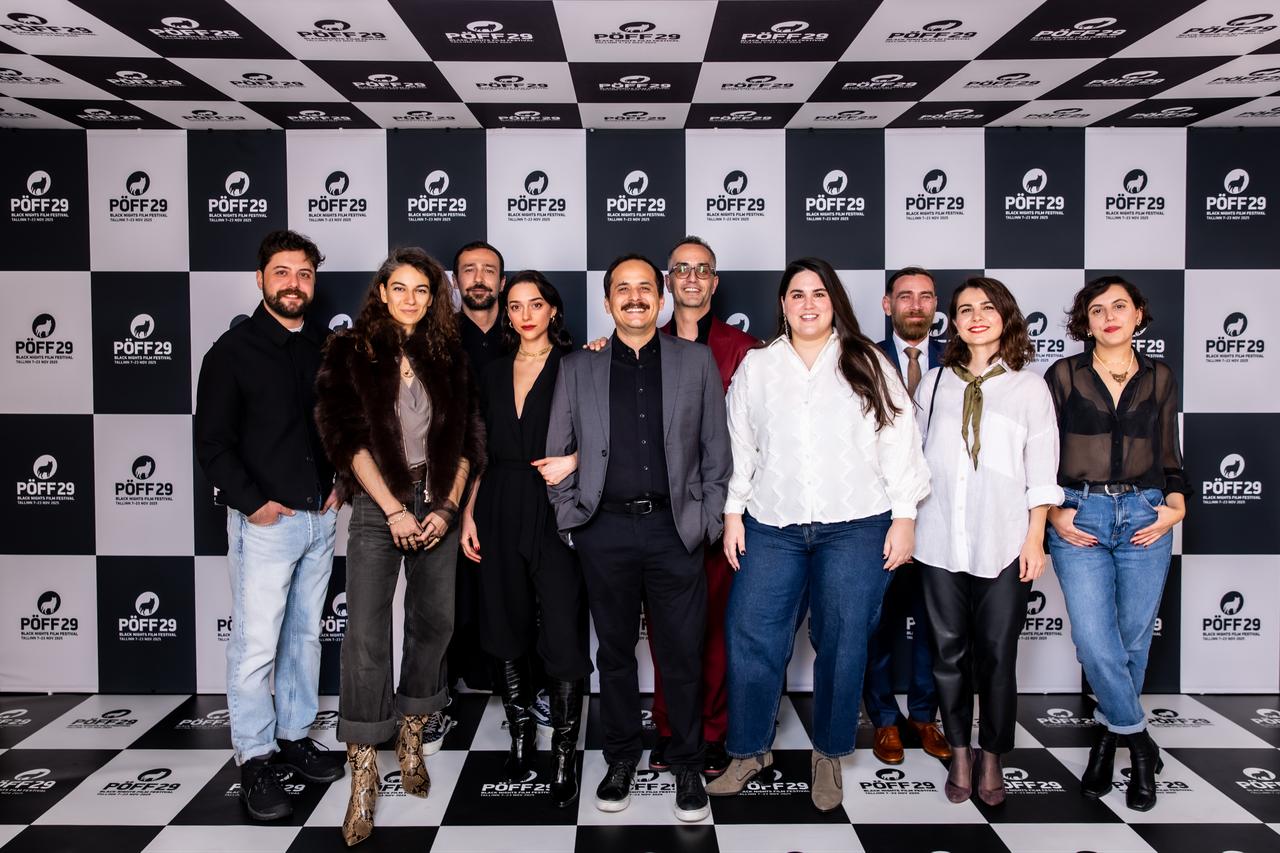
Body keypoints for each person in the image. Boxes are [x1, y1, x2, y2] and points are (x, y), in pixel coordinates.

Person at [710, 258, 929, 813]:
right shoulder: (758, 367)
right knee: (751, 633)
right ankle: (749, 751)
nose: (808, 303)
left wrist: (904, 516)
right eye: (797, 294)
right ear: (782, 304)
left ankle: (828, 752)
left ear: (834, 302)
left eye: (820, 294)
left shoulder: (867, 362)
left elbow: (898, 443)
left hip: (855, 524)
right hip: (772, 523)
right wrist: (733, 514)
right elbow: (743, 448)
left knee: (843, 639)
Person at [545, 254, 731, 822]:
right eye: (621, 289)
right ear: (606, 304)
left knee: (681, 653)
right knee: (617, 654)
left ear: (662, 296)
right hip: (604, 531)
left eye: (645, 288)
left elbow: (716, 458)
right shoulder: (579, 367)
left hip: (676, 531)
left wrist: (706, 522)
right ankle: (621, 757)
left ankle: (687, 764)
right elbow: (559, 450)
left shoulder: (695, 361)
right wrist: (572, 521)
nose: (634, 297)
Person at [315, 247, 483, 846]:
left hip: (435, 498)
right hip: (375, 502)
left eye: (423, 289)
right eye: (401, 287)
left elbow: (467, 440)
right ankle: (363, 771)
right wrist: (390, 509)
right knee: (364, 631)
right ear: (382, 292)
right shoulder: (350, 350)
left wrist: (443, 508)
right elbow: (345, 437)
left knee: (435, 621)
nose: (412, 298)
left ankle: (411, 731)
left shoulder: (449, 355)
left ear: (435, 297)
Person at [195, 229, 345, 822]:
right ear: (260, 279)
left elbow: (331, 429)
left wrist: (339, 483)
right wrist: (253, 502)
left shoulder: (318, 352)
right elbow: (212, 444)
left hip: (319, 518)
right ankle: (255, 757)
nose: (294, 284)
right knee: (256, 644)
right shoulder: (228, 354)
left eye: (304, 274)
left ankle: (293, 736)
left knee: (305, 635)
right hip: (266, 522)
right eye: (282, 273)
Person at [913, 277, 1062, 807]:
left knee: (997, 655)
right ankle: (958, 749)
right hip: (937, 542)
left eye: (987, 307)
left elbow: (1042, 471)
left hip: (1004, 541)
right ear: (952, 322)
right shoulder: (933, 384)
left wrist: (1035, 537)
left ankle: (993, 753)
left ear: (1006, 316)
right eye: (965, 309)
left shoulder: (1029, 388)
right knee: (947, 655)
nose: (976, 316)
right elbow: (914, 461)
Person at [1045, 276, 1186, 812]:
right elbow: (1044, 450)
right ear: (1084, 322)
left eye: (1119, 307)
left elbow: (1169, 448)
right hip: (1082, 512)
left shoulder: (1160, 376)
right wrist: (1054, 509)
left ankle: (1108, 739)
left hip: (1145, 514)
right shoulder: (1064, 374)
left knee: (1131, 642)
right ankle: (1141, 743)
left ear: (1139, 314)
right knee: (1094, 639)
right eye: (1097, 309)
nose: (1109, 316)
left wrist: (1177, 504)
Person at [460, 270, 592, 808]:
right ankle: (519, 735)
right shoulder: (490, 373)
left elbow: (608, 437)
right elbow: (479, 452)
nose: (526, 313)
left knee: (561, 627)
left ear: (553, 310)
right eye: (515, 305)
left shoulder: (579, 365)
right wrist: (468, 512)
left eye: (536, 303)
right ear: (508, 315)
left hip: (555, 503)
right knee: (505, 622)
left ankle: (563, 750)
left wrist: (577, 460)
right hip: (496, 503)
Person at [646, 236, 759, 779]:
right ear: (668, 281)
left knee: (716, 627)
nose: (691, 278)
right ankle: (669, 727)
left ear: (714, 283)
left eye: (702, 270)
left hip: (722, 511)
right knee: (668, 628)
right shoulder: (641, 342)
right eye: (681, 269)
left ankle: (714, 731)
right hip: (659, 513)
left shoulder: (746, 348)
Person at [864, 266, 951, 766]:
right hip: (878, 517)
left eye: (925, 297)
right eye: (905, 297)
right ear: (887, 304)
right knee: (875, 624)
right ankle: (883, 720)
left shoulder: (958, 359)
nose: (915, 306)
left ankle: (924, 714)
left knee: (936, 625)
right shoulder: (862, 360)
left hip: (939, 516)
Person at [448, 240, 508, 696]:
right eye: (470, 270)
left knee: (508, 584)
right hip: (450, 480)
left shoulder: (524, 331)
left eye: (489, 270)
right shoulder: (438, 339)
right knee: (451, 592)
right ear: (455, 282)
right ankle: (444, 693)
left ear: (501, 282)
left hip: (513, 477)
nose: (480, 278)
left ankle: (518, 688)